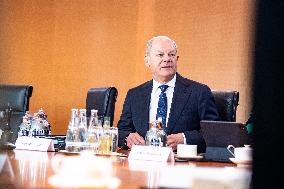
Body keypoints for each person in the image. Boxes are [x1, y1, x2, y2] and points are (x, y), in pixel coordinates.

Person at [117, 36, 220, 153]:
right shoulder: (134, 95)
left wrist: (185, 139)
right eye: (160, 55)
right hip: (143, 161)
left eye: (171, 54)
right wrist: (128, 137)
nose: (167, 59)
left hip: (183, 165)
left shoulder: (199, 92)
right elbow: (122, 130)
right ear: (147, 60)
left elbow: (214, 134)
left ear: (177, 59)